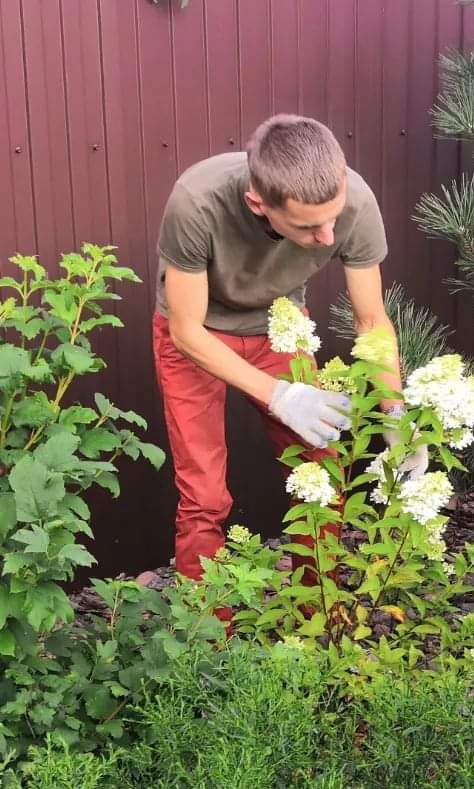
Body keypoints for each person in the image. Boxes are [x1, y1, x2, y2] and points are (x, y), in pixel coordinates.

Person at [152, 114, 428, 580]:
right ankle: (204, 637)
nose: (326, 238)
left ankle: (317, 621)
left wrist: (396, 419)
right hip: (198, 338)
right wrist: (281, 396)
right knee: (204, 496)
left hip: (282, 329)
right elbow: (186, 332)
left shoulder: (355, 202)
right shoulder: (197, 201)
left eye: (332, 221)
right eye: (307, 227)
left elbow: (371, 321)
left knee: (320, 470)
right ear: (258, 204)